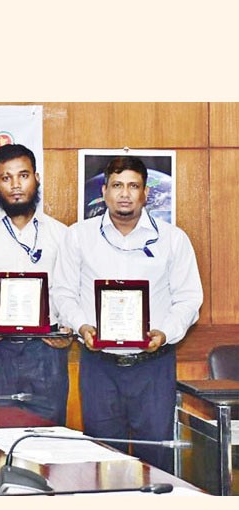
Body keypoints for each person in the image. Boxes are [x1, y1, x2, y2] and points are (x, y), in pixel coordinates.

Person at [52, 156, 202, 471]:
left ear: (145, 193)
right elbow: (63, 293)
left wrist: (164, 333)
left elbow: (189, 299)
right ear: (104, 191)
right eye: (117, 185)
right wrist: (82, 327)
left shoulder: (173, 239)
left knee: (156, 461)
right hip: (99, 367)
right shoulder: (78, 236)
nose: (124, 193)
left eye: (133, 186)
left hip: (153, 367)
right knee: (104, 461)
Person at [0, 144, 71, 424]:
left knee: (49, 434)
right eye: (6, 178)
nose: (16, 185)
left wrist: (67, 325)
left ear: (37, 178)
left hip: (47, 349)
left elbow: (69, 290)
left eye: (23, 175)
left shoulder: (61, 234)